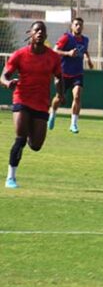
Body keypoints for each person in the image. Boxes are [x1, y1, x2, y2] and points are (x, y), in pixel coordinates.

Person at [1, 21, 63, 188]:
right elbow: (3, 76)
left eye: (43, 30)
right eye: (37, 30)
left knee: (35, 145)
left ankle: (30, 134)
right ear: (30, 33)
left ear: (46, 35)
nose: (40, 33)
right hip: (21, 98)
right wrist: (7, 83)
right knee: (20, 138)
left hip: (41, 103)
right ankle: (11, 177)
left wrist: (60, 93)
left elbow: (58, 76)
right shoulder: (19, 54)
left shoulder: (53, 57)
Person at [48, 17, 94, 134]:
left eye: (80, 25)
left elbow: (84, 50)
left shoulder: (85, 40)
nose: (78, 27)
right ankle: (52, 113)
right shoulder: (66, 38)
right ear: (72, 26)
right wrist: (68, 53)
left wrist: (89, 60)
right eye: (76, 24)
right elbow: (54, 51)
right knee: (59, 98)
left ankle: (73, 123)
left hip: (77, 74)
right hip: (63, 73)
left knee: (77, 96)